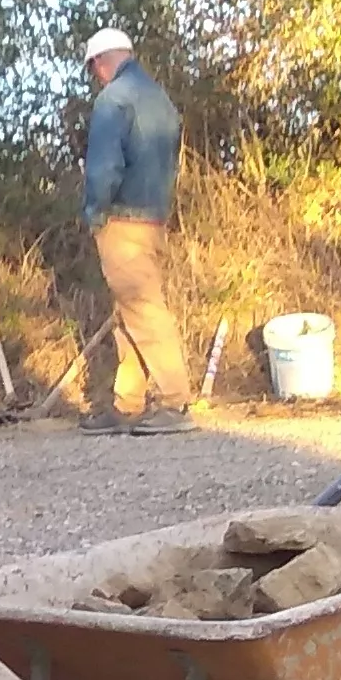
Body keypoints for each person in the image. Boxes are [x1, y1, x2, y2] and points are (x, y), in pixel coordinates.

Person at [78, 27, 191, 434]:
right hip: (153, 217)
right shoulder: (159, 99)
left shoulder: (114, 100)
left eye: (93, 69)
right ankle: (128, 404)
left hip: (122, 219)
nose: (96, 77)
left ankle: (175, 402)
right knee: (130, 310)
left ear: (101, 62)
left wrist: (95, 211)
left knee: (143, 308)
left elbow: (104, 166)